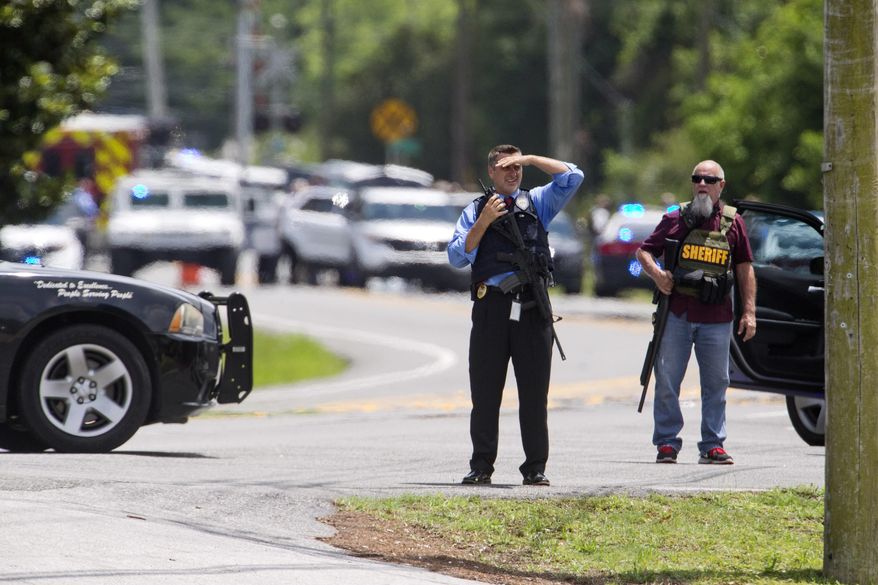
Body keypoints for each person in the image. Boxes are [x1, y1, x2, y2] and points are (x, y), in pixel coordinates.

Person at [448, 144, 584, 486]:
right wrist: (484, 222)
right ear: (491, 172)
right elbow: (456, 256)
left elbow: (572, 176)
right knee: (485, 392)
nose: (513, 172)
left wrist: (532, 159)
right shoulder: (477, 209)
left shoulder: (537, 202)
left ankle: (535, 467)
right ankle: (481, 466)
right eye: (505, 167)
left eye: (517, 167)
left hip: (532, 307)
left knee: (534, 394)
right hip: (492, 308)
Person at [634, 160, 756, 465]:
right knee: (667, 382)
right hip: (677, 314)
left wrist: (749, 311)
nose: (702, 184)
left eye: (709, 179)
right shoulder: (675, 217)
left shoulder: (733, 223)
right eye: (697, 179)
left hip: (717, 318)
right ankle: (666, 443)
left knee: (716, 383)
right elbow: (644, 251)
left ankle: (713, 444)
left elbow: (744, 267)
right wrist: (658, 274)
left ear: (721, 186)